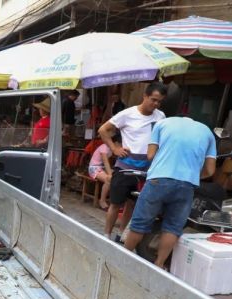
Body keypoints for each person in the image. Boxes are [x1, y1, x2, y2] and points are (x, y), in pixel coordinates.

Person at [124, 117, 217, 267]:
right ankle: (159, 264)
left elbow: (151, 155)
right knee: (173, 227)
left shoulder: (161, 124)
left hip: (159, 179)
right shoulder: (207, 131)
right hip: (187, 185)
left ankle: (122, 257)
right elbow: (210, 170)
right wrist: (191, 174)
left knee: (140, 223)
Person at [98, 82, 167, 243]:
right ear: (145, 96)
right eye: (153, 99)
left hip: (147, 168)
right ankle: (106, 235)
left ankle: (122, 233)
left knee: (132, 203)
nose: (156, 104)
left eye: (159, 101)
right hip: (125, 166)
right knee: (116, 203)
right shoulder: (127, 114)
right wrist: (114, 148)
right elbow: (103, 130)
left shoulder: (161, 116)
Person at [88, 143, 113, 209]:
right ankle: (102, 201)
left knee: (118, 176)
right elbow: (105, 161)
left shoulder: (112, 148)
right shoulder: (104, 147)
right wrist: (110, 174)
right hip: (94, 168)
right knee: (108, 179)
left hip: (102, 168)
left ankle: (113, 200)